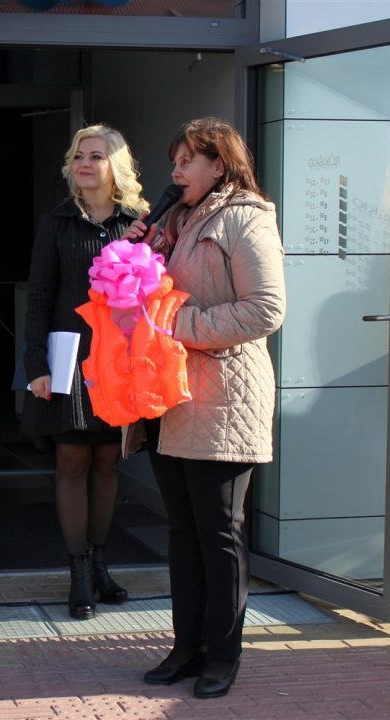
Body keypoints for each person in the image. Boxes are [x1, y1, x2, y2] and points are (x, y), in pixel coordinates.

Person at [124, 117, 285, 699]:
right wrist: (137, 253)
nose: (176, 171)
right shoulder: (175, 220)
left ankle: (223, 654)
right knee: (183, 531)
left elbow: (266, 308)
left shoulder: (247, 218)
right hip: (170, 398)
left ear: (219, 164)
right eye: (175, 161)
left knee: (219, 532)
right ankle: (185, 648)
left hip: (223, 397)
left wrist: (180, 325)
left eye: (187, 160)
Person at [21, 125, 149, 621]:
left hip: (118, 362)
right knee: (72, 460)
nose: (85, 163)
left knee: (109, 462)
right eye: (79, 155)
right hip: (69, 358)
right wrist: (36, 366)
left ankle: (99, 564)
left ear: (115, 164)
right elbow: (39, 297)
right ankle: (77, 572)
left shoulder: (138, 223)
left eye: (96, 155)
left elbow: (151, 295)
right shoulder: (56, 222)